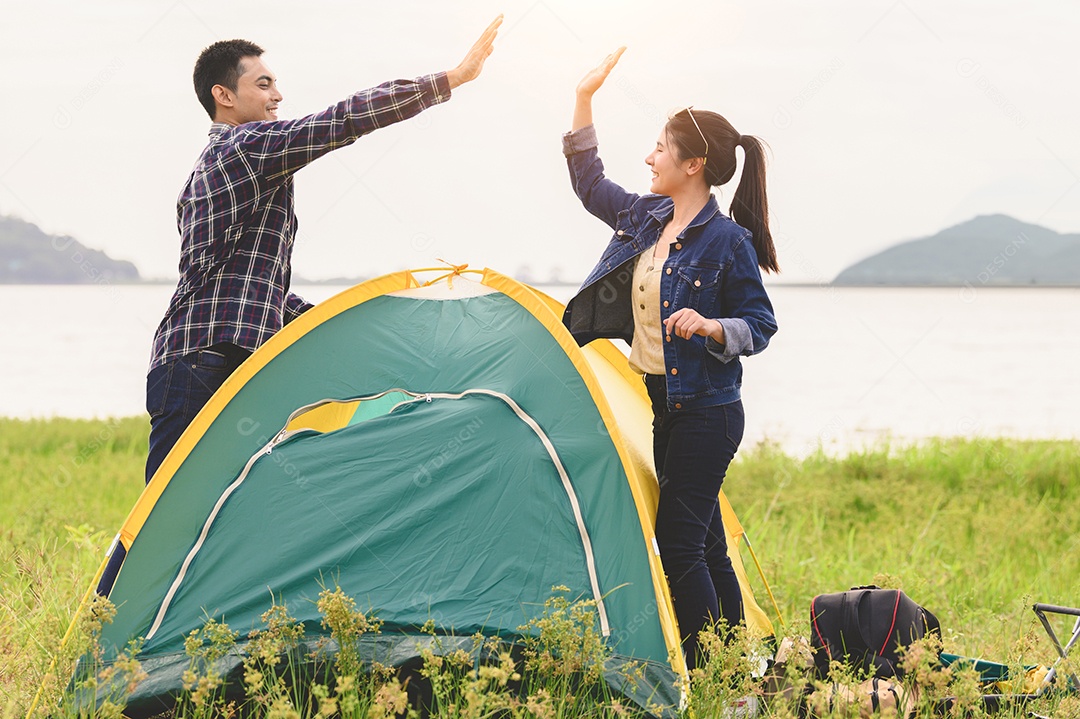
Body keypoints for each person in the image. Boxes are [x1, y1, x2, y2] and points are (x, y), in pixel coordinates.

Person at [97, 20, 501, 598]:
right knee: (162, 521)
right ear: (224, 95)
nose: (277, 95)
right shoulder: (245, 148)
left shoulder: (223, 166)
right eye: (263, 84)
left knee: (220, 521)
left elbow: (255, 290)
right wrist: (450, 80)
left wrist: (361, 323)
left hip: (219, 359)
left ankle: (177, 647)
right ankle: (98, 647)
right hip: (199, 364)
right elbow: (341, 119)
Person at [561, 49, 779, 668]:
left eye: (659, 148)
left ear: (693, 164)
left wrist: (713, 326)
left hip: (709, 411)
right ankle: (736, 662)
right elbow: (589, 184)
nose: (649, 158)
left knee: (677, 542)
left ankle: (705, 671)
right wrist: (583, 99)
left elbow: (760, 325)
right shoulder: (646, 216)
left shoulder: (727, 240)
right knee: (706, 542)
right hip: (664, 404)